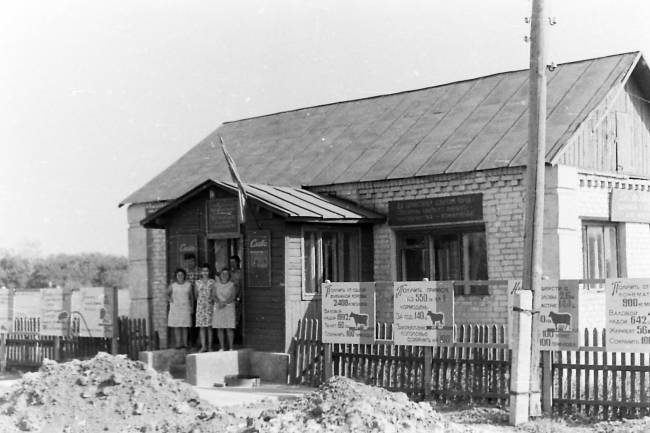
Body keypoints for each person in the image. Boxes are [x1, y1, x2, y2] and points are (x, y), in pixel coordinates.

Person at [211, 267, 238, 351]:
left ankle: (231, 347)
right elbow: (213, 296)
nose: (224, 275)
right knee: (220, 327)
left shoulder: (232, 284)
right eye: (223, 274)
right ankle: (222, 347)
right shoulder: (216, 285)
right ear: (220, 275)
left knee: (229, 327)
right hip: (218, 307)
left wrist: (224, 303)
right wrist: (219, 302)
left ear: (229, 275)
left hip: (229, 307)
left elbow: (233, 296)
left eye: (226, 274)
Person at [167, 268, 193, 349]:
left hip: (185, 307)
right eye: (178, 275)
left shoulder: (188, 284)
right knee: (177, 326)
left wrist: (192, 307)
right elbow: (166, 294)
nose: (180, 276)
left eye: (182, 275)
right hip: (175, 308)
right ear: (176, 276)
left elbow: (191, 297)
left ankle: (185, 344)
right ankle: (178, 344)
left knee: (185, 326)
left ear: (184, 276)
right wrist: (170, 299)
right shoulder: (172, 285)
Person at [194, 264, 215, 352]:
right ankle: (203, 346)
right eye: (203, 271)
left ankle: (209, 346)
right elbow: (195, 295)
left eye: (206, 271)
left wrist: (210, 301)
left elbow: (214, 294)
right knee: (202, 327)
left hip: (209, 305)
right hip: (200, 306)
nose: (205, 272)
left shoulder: (212, 282)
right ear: (201, 272)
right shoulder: (197, 282)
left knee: (209, 327)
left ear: (209, 272)